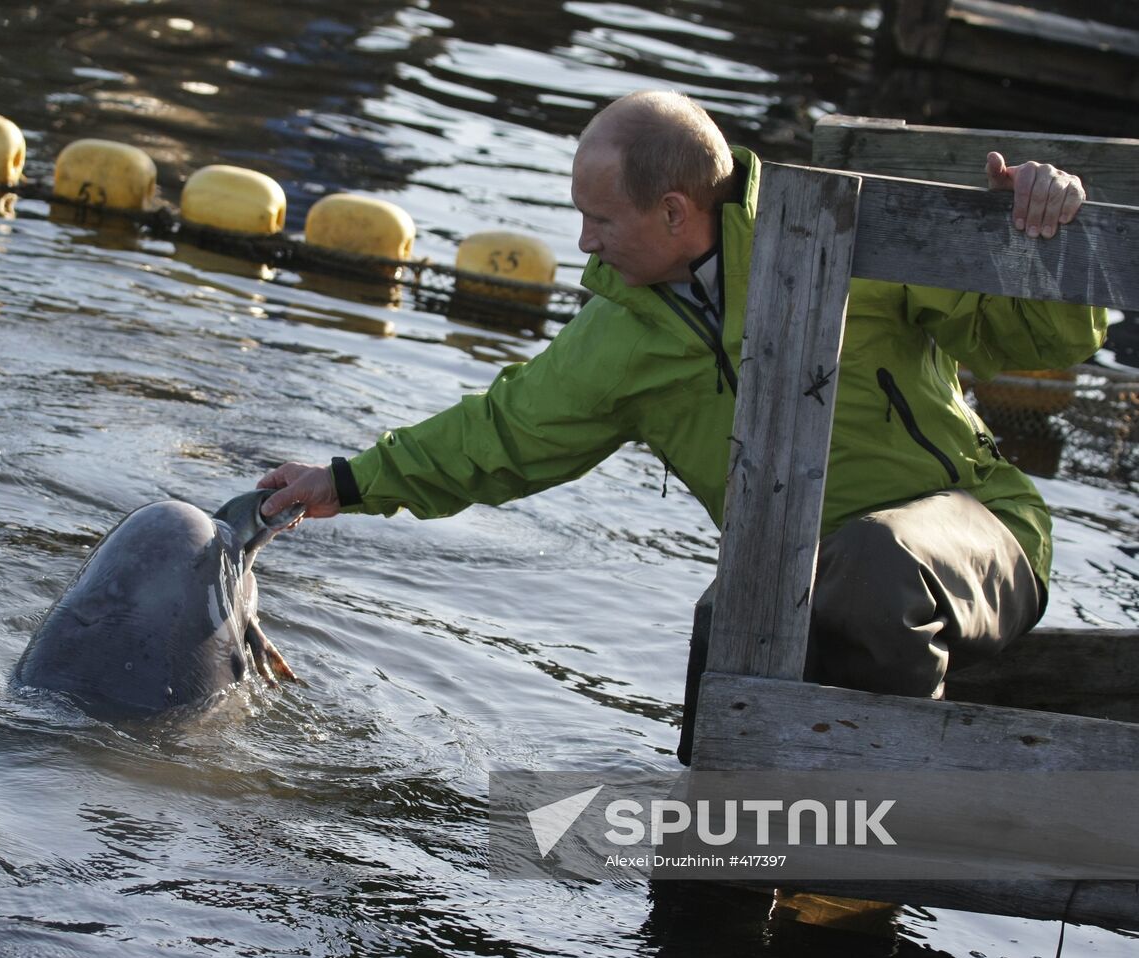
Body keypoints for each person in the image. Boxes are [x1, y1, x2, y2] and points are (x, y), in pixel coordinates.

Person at [257, 90, 1106, 759]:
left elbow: (1040, 338)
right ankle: (707, 879)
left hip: (978, 534)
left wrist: (1046, 230)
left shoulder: (852, 235)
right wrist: (346, 480)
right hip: (804, 576)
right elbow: (501, 434)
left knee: (873, 564)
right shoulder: (619, 332)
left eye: (600, 220)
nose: (584, 244)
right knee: (722, 618)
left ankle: (877, 829)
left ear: (673, 211)